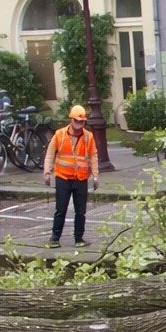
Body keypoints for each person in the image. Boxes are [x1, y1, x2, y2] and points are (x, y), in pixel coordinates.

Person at [42, 103, 99, 248]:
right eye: (77, 121)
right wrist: (47, 172)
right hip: (63, 177)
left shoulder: (88, 137)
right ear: (71, 120)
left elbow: (93, 156)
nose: (79, 124)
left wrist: (95, 176)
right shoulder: (60, 134)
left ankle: (78, 238)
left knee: (81, 211)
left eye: (82, 121)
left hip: (80, 178)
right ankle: (55, 238)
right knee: (61, 208)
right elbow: (50, 154)